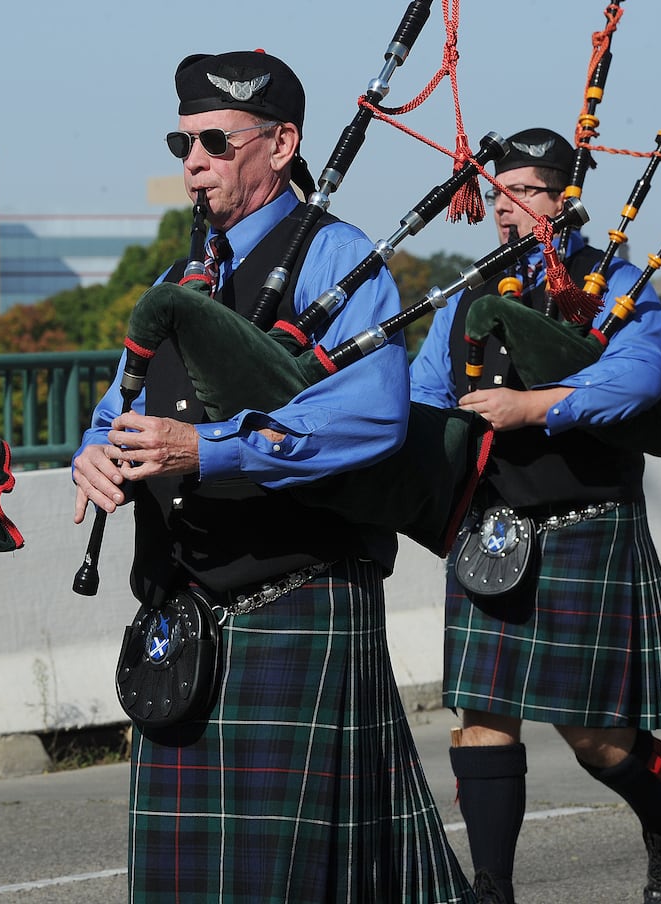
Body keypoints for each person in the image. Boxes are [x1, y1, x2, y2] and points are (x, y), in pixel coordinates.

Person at [72, 50, 474, 902]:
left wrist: (207, 449)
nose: (194, 163)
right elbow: (119, 401)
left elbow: (371, 415)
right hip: (181, 613)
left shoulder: (339, 259)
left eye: (215, 141)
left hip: (295, 602)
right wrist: (95, 452)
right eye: (182, 143)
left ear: (282, 142)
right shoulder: (180, 279)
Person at [409, 128, 661, 904]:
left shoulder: (612, 282)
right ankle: (492, 890)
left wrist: (532, 406)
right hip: (491, 529)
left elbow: (638, 381)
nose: (505, 211)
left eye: (523, 194)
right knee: (483, 718)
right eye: (498, 194)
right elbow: (425, 395)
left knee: (596, 738)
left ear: (562, 199)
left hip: (585, 526)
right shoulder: (472, 295)